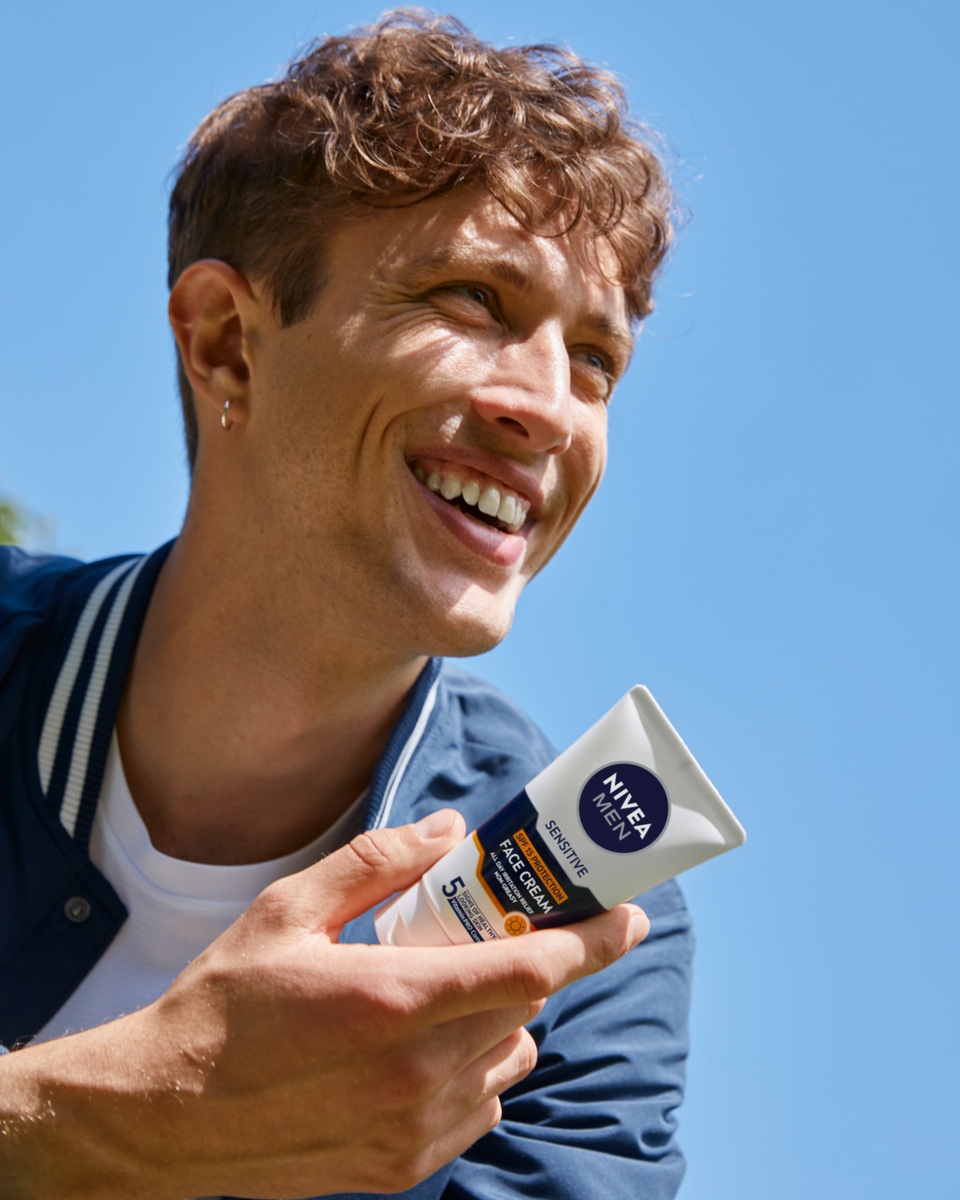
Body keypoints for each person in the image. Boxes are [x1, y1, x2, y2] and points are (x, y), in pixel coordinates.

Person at [0, 11, 692, 1199]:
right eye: (473, 300)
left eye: (595, 360)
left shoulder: (591, 927)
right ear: (228, 344)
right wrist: (114, 1114)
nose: (550, 410)